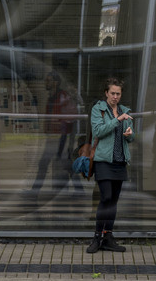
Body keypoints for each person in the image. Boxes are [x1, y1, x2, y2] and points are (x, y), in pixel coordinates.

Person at [87, 77, 133, 254]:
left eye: (118, 94)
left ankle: (108, 237)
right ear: (106, 93)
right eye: (112, 93)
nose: (115, 97)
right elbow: (98, 131)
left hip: (119, 161)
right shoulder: (98, 109)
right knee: (105, 197)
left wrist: (129, 134)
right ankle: (97, 237)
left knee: (113, 201)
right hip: (103, 160)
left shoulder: (125, 110)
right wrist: (118, 120)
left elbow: (131, 137)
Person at [29, 72, 79, 194]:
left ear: (55, 83)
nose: (46, 83)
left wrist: (61, 128)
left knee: (48, 163)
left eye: (49, 80)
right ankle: (79, 190)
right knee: (57, 164)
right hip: (53, 136)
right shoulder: (52, 97)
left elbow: (71, 115)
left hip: (60, 137)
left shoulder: (62, 96)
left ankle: (35, 191)